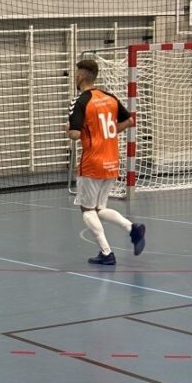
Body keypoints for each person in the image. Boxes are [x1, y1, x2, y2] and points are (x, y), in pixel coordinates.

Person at [67, 59, 145, 265]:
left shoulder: (81, 101)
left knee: (87, 210)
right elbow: (129, 120)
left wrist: (69, 129)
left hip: (92, 162)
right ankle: (132, 228)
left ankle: (106, 252)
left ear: (81, 76)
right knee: (100, 208)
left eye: (76, 74)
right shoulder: (109, 98)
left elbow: (75, 134)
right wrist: (105, 133)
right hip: (112, 160)